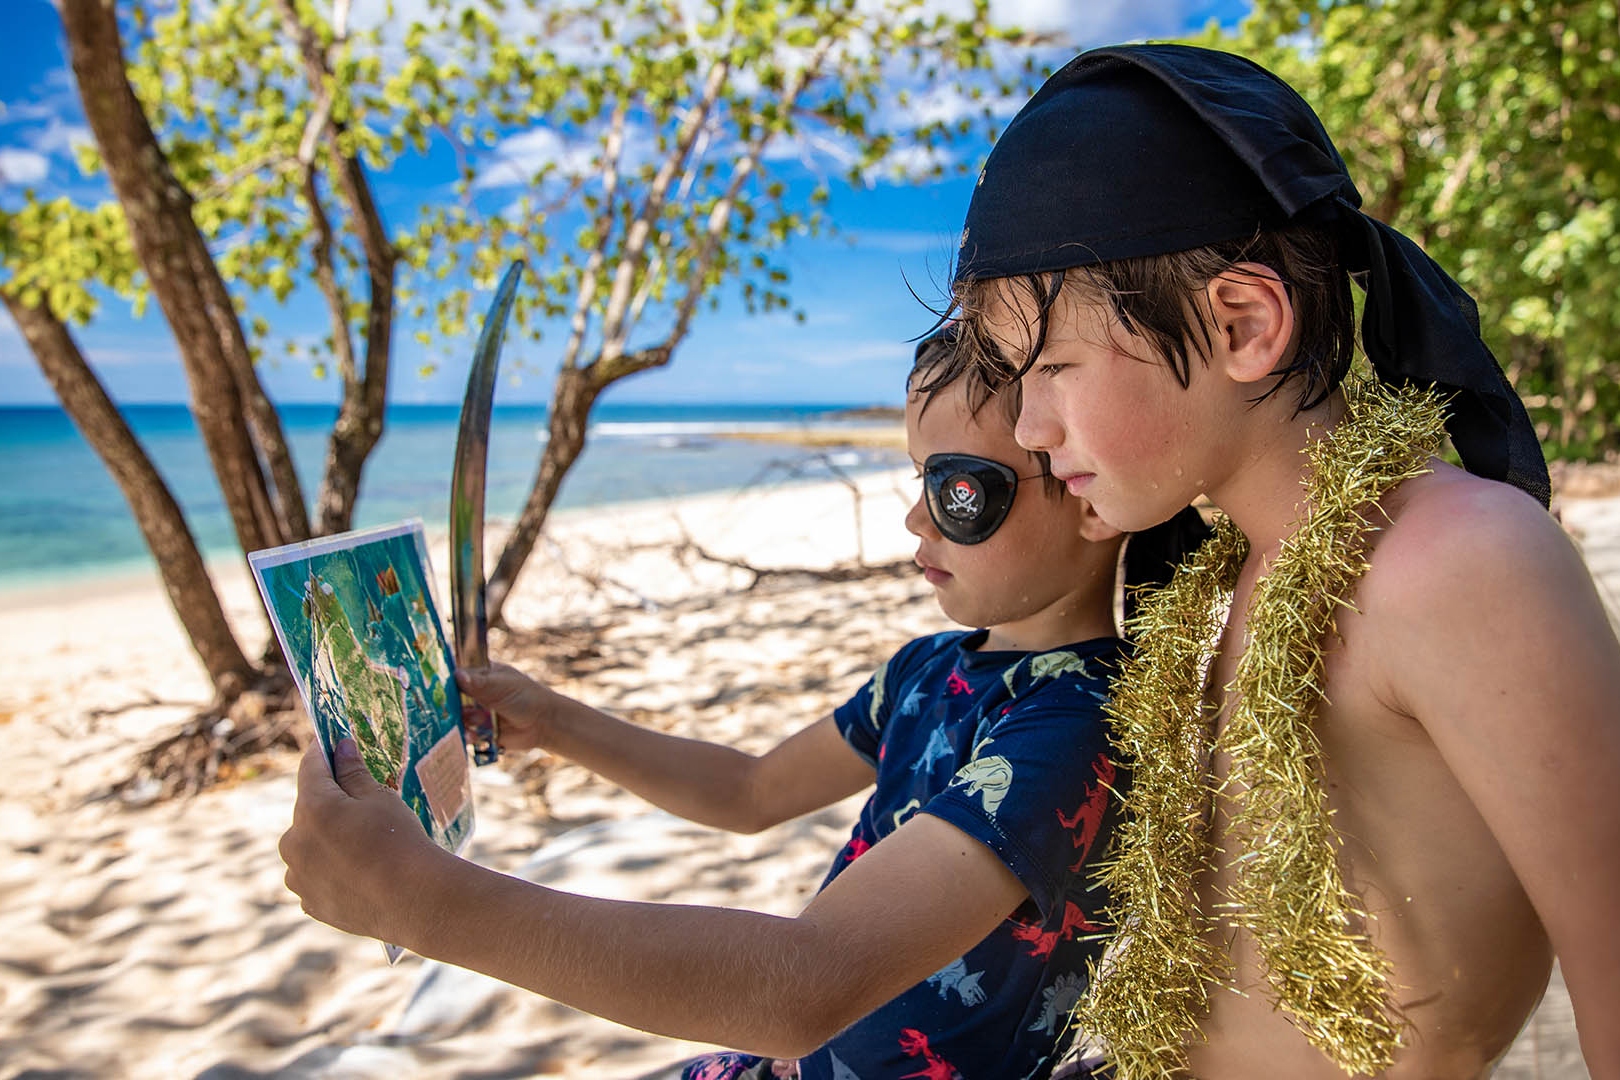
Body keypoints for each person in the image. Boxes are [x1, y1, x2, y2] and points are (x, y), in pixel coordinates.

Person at [938, 43, 1620, 1080]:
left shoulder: (1453, 561)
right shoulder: (1220, 581)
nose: (1027, 428)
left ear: (1244, 325)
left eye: (1056, 368)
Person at [280, 335, 1139, 1080]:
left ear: (1088, 486)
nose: (917, 517)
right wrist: (556, 721)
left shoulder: (1075, 730)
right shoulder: (925, 671)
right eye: (918, 476)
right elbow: (749, 792)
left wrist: (422, 900)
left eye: (959, 489)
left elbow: (806, 984)